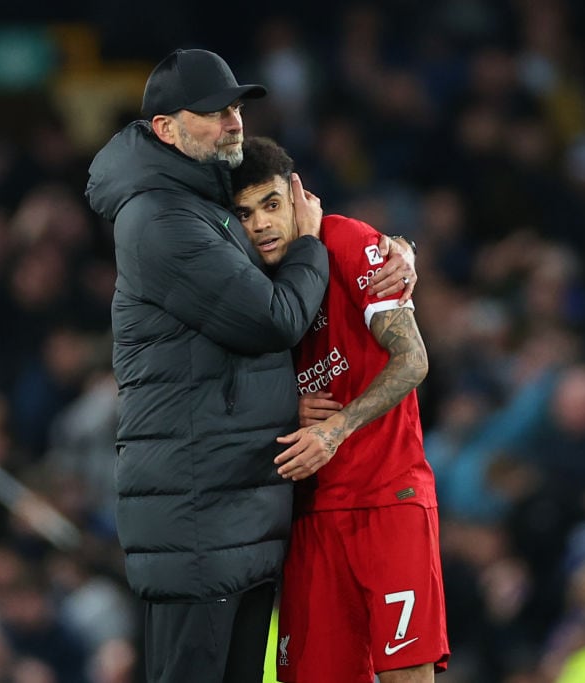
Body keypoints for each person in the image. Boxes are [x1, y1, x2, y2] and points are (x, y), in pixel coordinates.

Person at [85, 49, 412, 683]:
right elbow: (273, 319)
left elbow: (226, 356)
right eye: (213, 112)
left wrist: (394, 252)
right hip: (198, 524)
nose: (233, 121)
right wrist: (312, 242)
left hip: (234, 513)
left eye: (235, 107)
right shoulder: (159, 217)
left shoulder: (204, 204)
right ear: (165, 129)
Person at [231, 136, 449, 682]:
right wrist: (285, 407)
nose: (261, 224)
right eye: (245, 213)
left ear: (297, 195)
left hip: (388, 498)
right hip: (308, 517)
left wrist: (335, 428)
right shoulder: (242, 283)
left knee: (406, 675)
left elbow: (413, 359)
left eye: (271, 204)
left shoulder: (347, 241)